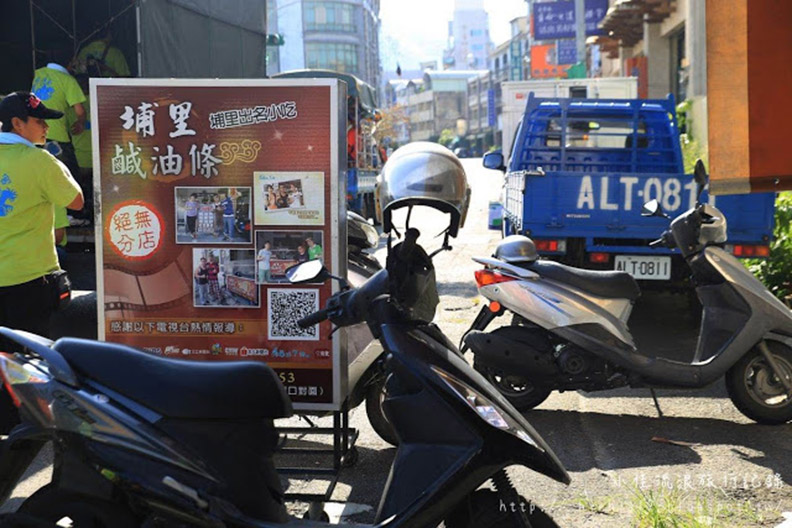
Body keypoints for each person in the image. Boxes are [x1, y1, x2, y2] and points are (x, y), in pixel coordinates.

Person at [0, 91, 84, 433]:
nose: (45, 127)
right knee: (27, 360)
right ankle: (29, 427)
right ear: (16, 124)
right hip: (30, 279)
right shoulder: (39, 161)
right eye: (38, 121)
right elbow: (77, 201)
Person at [31, 57, 87, 223]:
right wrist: (81, 123)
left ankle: (52, 215)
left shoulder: (38, 74)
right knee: (68, 174)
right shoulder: (67, 80)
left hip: (34, 136)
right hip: (57, 137)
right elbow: (80, 111)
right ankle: (71, 216)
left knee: (42, 177)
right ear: (69, 65)